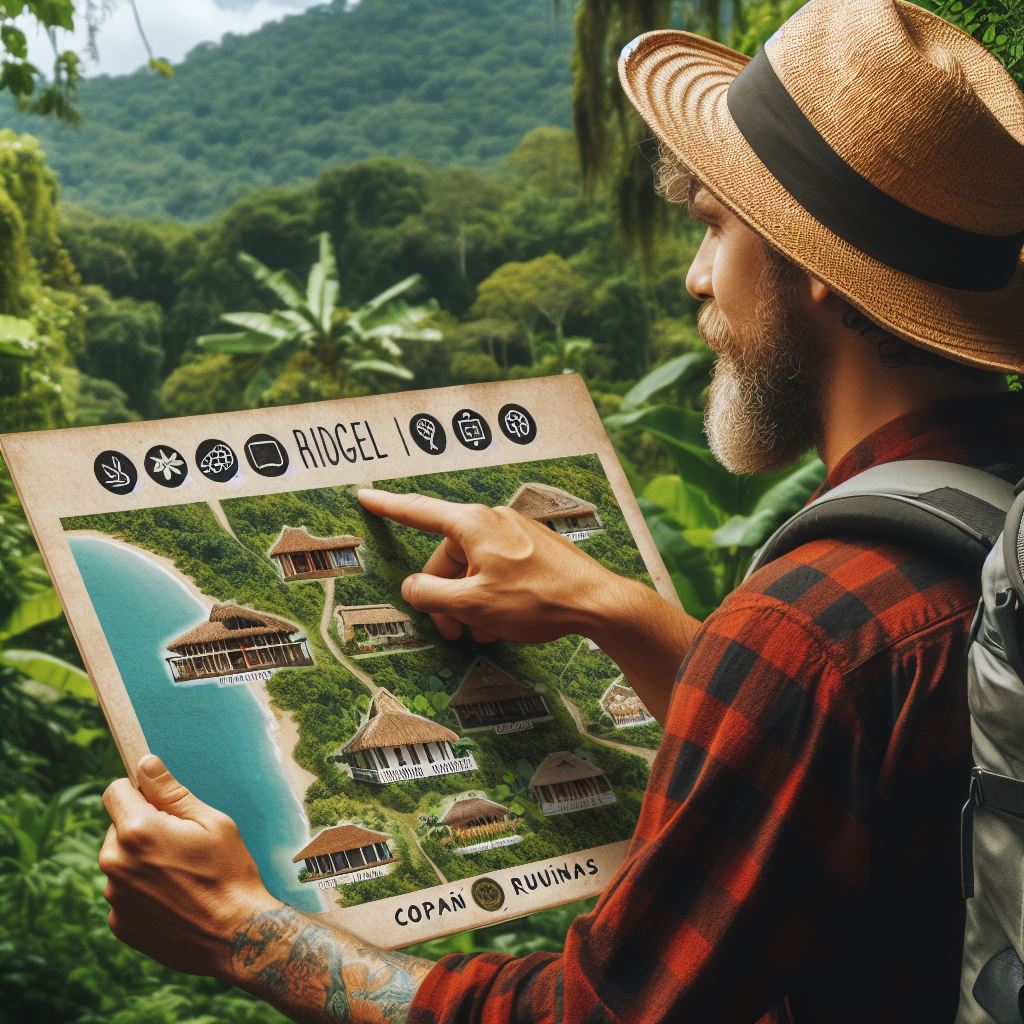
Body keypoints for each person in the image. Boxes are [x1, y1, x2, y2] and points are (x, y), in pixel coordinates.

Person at [98, 0, 1024, 1020]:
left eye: (715, 227)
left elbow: (598, 1010)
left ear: (807, 270)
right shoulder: (982, 529)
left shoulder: (815, 628)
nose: (694, 279)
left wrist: (246, 931)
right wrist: (614, 607)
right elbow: (851, 782)